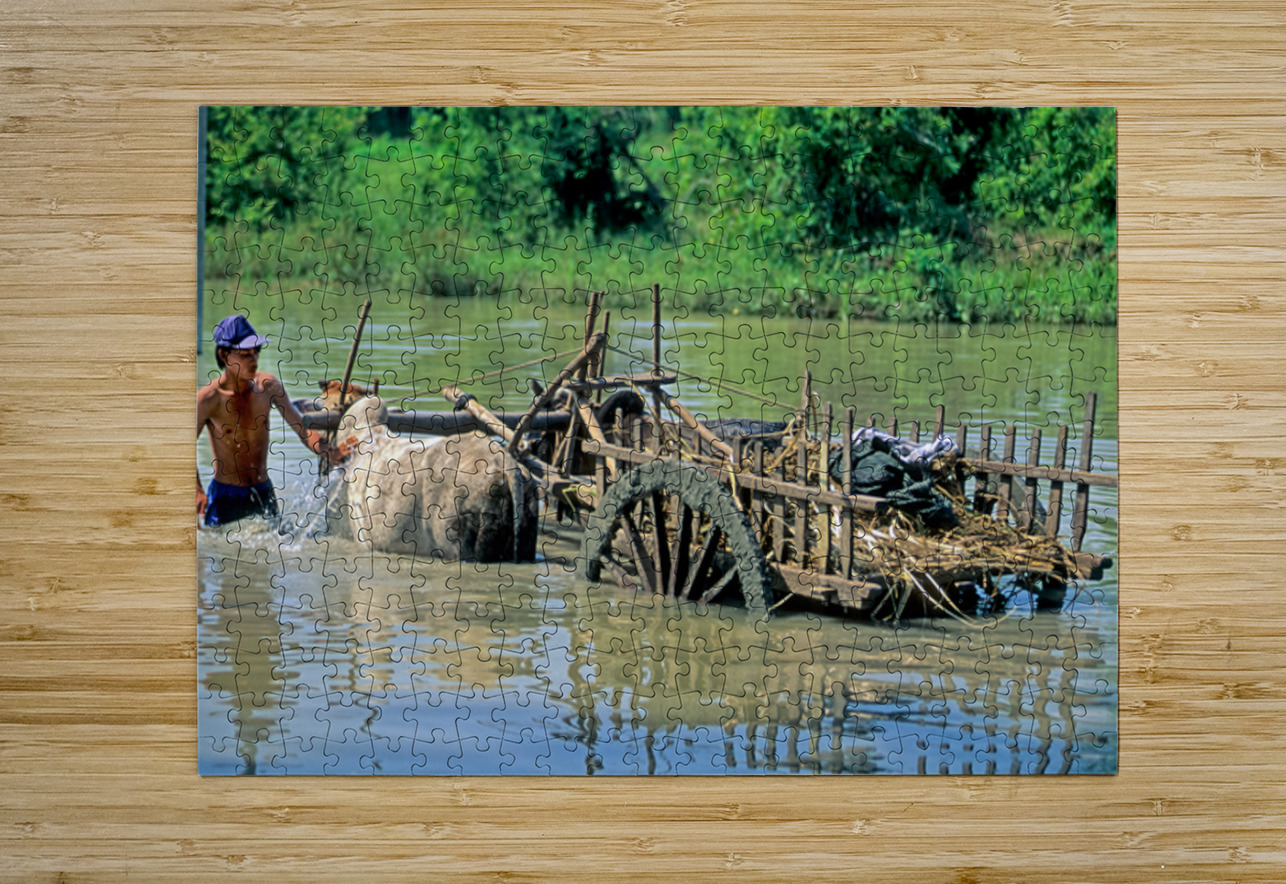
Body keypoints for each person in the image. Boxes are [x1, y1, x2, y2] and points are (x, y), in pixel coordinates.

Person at [197, 315, 346, 526]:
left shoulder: (268, 386)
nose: (254, 360)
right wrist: (197, 492)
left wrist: (331, 452)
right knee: (219, 554)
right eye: (245, 354)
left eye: (256, 352)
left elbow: (302, 430)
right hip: (226, 497)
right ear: (224, 355)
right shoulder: (208, 399)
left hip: (262, 491)